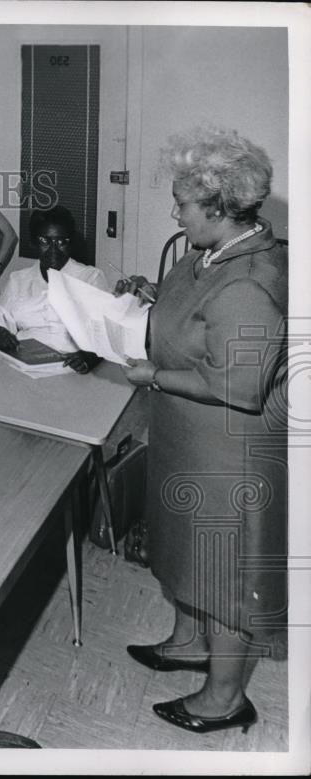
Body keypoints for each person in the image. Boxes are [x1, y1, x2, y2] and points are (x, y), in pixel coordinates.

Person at [116, 127, 287, 735]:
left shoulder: (249, 282)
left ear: (216, 206)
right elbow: (190, 310)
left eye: (183, 202)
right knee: (187, 552)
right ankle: (190, 643)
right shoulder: (211, 252)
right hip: (189, 439)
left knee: (221, 570)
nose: (174, 210)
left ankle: (224, 698)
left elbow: (238, 386)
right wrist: (146, 299)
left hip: (226, 452)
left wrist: (154, 373)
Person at [0, 205, 106, 373]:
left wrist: (88, 357)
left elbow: (105, 330)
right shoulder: (19, 279)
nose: (53, 249)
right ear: (34, 242)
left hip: (71, 366)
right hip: (22, 361)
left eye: (61, 242)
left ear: (71, 243)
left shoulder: (90, 278)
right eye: (45, 241)